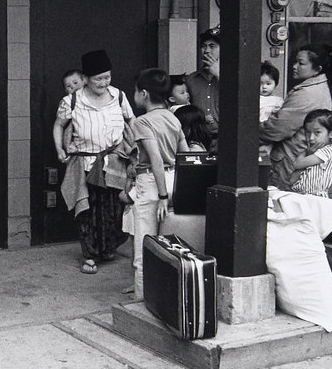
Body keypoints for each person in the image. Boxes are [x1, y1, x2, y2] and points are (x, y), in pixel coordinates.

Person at [53, 49, 136, 275]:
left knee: (112, 208)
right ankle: (89, 255)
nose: (103, 82)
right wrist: (60, 148)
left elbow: (132, 121)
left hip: (115, 162)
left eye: (107, 77)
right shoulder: (72, 101)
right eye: (98, 78)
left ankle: (107, 248)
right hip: (85, 163)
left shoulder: (118, 96)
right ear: (87, 78)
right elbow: (59, 125)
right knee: (86, 210)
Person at [127, 69, 189, 300]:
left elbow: (154, 158)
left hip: (153, 184)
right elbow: (184, 153)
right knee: (169, 243)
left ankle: (143, 300)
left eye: (135, 92)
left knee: (144, 244)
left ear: (144, 94)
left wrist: (162, 195)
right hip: (175, 180)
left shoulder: (142, 122)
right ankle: (166, 296)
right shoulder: (173, 117)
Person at [259, 44, 332, 190]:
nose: (294, 66)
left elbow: (277, 128)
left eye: (301, 63)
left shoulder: (307, 94)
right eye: (295, 61)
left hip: (289, 161)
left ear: (317, 70)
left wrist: (247, 133)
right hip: (298, 157)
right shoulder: (319, 87)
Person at [290, 110, 332, 198]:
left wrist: (307, 152)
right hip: (301, 196)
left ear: (331, 133)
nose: (311, 138)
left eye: (317, 132)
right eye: (308, 132)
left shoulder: (329, 151)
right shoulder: (314, 153)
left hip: (316, 197)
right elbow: (292, 180)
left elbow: (296, 164)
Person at [185, 28, 221, 136]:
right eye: (203, 46)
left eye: (212, 46)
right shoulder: (191, 79)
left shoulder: (232, 79)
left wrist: (218, 74)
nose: (206, 51)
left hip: (225, 137)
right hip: (199, 138)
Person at [60, 68, 86, 153]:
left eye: (75, 83)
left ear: (84, 81)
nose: (73, 87)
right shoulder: (68, 103)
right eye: (68, 86)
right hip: (76, 141)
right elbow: (60, 126)